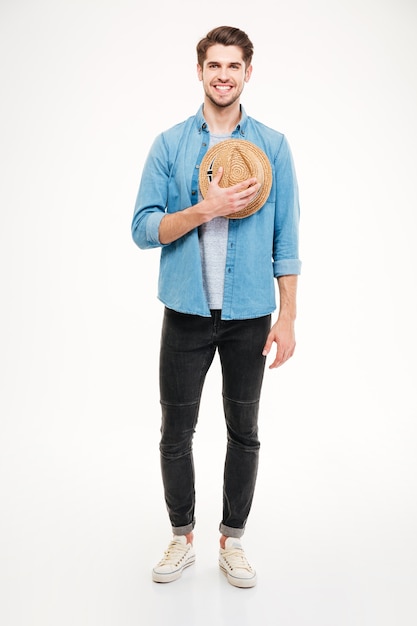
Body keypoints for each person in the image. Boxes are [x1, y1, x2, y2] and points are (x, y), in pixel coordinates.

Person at [131, 25, 301, 588]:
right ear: (199, 71)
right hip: (185, 311)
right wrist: (206, 208)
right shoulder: (170, 144)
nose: (223, 75)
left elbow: (286, 239)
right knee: (175, 433)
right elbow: (143, 228)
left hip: (250, 315)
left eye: (233, 66)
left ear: (248, 72)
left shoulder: (273, 146)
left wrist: (288, 317)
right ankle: (182, 537)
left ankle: (233, 541)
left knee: (243, 431)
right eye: (213, 65)